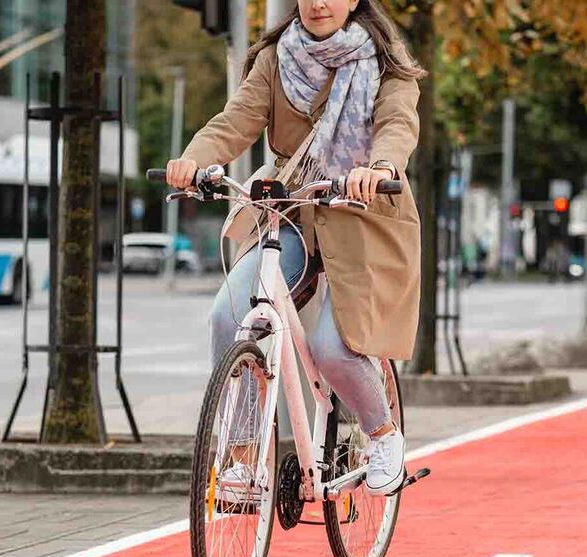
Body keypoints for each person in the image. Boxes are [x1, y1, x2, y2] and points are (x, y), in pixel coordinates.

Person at [166, 0, 424, 496]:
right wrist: (192, 160)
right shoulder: (275, 58)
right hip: (293, 207)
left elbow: (397, 124)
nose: (319, 2)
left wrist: (383, 167)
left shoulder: (386, 59)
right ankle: (243, 458)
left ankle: (383, 435)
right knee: (229, 315)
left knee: (334, 349)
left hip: (364, 213)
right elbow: (235, 120)